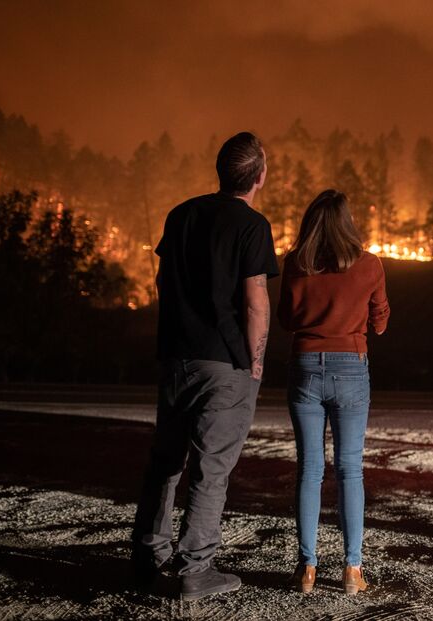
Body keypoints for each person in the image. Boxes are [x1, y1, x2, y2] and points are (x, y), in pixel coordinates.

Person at [131, 132, 279, 602]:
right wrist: (254, 362)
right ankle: (195, 569)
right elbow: (256, 300)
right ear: (259, 177)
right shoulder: (253, 226)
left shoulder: (182, 215)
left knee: (165, 463)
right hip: (225, 362)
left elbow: (160, 280)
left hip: (177, 356)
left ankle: (146, 557)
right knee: (210, 469)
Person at [277, 189, 390, 595]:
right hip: (350, 368)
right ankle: (352, 570)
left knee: (309, 469)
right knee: (349, 469)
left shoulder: (295, 263)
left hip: (306, 365)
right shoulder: (370, 265)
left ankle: (306, 568)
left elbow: (287, 321)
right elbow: (379, 322)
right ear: (348, 223)